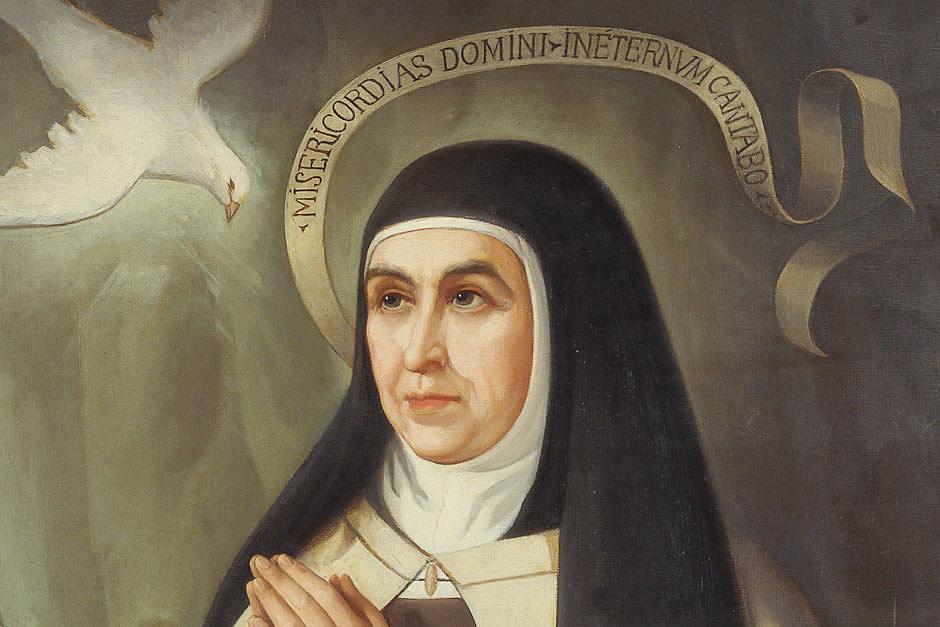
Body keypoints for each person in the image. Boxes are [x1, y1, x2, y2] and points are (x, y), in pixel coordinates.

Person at [205, 141, 744, 625]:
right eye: (392, 299)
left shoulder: (705, 585)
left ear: (564, 323)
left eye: (466, 297)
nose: (419, 354)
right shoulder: (300, 579)